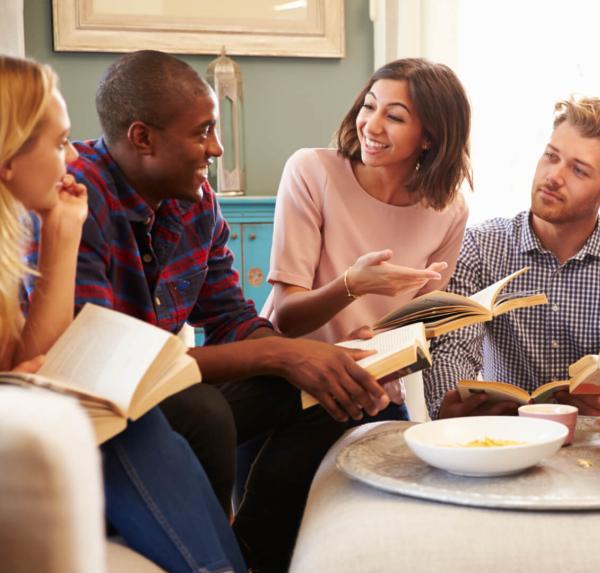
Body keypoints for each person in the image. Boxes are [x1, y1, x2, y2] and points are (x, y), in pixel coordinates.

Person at [28, 50, 399, 572]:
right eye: (202, 132)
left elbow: (229, 317)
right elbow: (99, 363)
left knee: (340, 388)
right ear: (143, 138)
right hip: (108, 402)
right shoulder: (76, 199)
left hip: (159, 385)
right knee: (204, 411)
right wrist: (283, 355)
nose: (217, 148)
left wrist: (312, 358)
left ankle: (256, 551)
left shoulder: (197, 201)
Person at [2, 55, 245, 573]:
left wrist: (62, 235)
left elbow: (48, 360)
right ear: (8, 160)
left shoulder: (34, 228)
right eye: (60, 142)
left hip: (60, 418)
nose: (73, 157)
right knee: (139, 422)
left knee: (145, 420)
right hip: (40, 432)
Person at [423, 96, 600, 420]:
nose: (554, 176)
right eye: (551, 157)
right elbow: (455, 347)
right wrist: (448, 401)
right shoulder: (479, 246)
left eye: (578, 171)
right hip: (501, 438)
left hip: (594, 449)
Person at [263, 58, 471, 409]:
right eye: (369, 106)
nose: (371, 126)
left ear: (429, 137)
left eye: (394, 116)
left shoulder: (450, 210)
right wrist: (352, 285)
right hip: (290, 382)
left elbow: (418, 327)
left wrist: (384, 352)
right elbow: (287, 318)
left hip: (369, 386)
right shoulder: (311, 171)